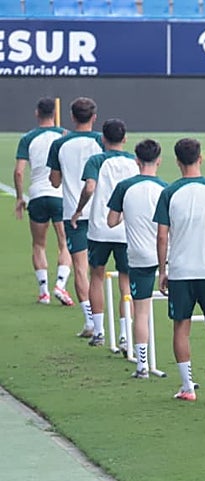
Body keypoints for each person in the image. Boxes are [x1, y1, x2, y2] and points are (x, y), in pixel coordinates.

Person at [155, 138, 205, 402]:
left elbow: (162, 236)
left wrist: (163, 269)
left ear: (177, 161)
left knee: (181, 327)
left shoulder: (169, 193)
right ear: (200, 158)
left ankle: (188, 387)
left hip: (180, 270)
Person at [74, 118, 138, 349]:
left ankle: (99, 330)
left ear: (103, 139)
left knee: (97, 277)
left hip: (100, 228)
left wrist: (79, 209)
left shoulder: (96, 160)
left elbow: (89, 187)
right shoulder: (134, 161)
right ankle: (124, 334)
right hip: (125, 229)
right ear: (125, 138)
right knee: (125, 280)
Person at [106, 138, 166, 379]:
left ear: (136, 160)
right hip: (166, 256)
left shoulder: (125, 187)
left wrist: (126, 216)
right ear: (159, 161)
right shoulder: (165, 188)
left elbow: (111, 221)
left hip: (138, 255)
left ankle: (142, 365)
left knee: (140, 310)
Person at [47, 97, 102, 337]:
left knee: (80, 268)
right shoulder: (102, 140)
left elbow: (55, 181)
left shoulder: (60, 144)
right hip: (101, 214)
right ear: (94, 117)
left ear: (71, 116)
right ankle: (117, 328)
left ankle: (91, 321)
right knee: (101, 271)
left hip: (74, 214)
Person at [13, 97, 71, 306]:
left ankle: (44, 292)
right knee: (64, 243)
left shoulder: (28, 138)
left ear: (37, 113)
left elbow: (19, 172)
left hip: (37, 194)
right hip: (59, 195)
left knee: (39, 244)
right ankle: (61, 286)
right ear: (55, 114)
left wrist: (20, 198)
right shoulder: (65, 135)